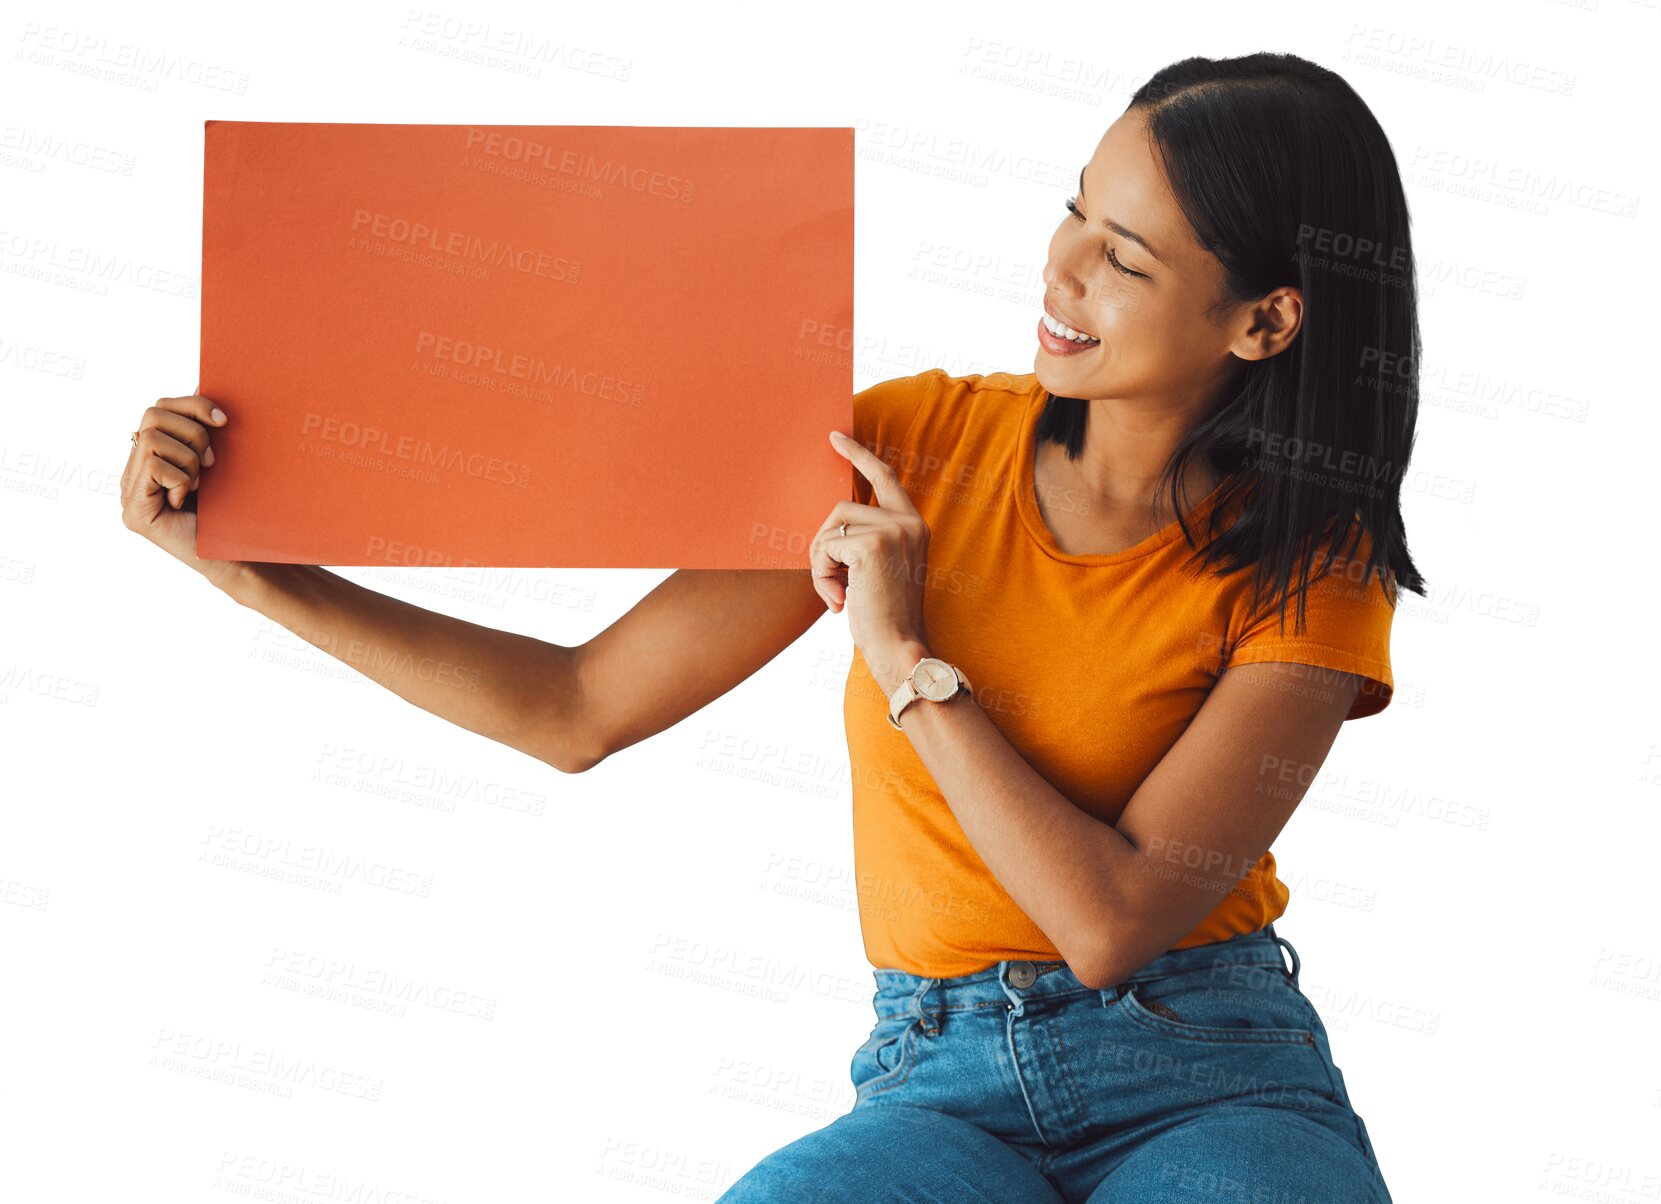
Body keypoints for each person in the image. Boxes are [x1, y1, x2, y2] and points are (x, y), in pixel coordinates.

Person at [121, 49, 1423, 1204]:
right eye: (1074, 210)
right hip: (938, 1076)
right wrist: (247, 569)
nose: (1060, 271)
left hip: (1205, 1068)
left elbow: (1109, 923)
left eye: (1125, 259)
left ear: (1263, 321)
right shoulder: (902, 444)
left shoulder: (1313, 562)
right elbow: (576, 708)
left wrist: (908, 661)